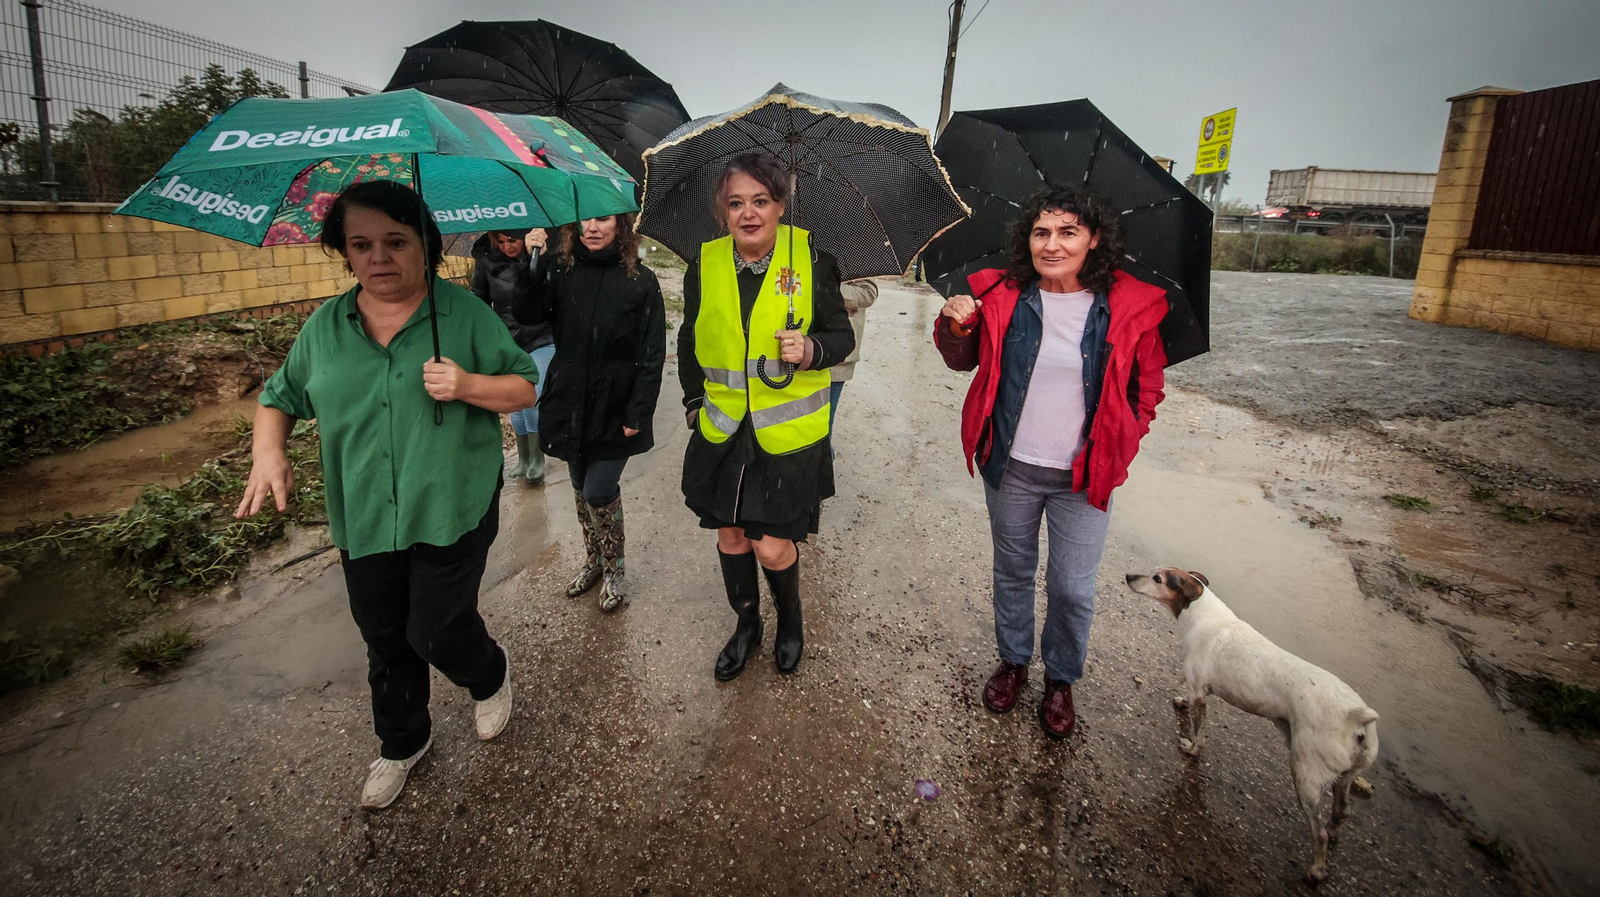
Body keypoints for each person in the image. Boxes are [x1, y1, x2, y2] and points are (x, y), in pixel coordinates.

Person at [235, 180, 539, 809]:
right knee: (385, 636)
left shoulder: (464, 315)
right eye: (361, 244)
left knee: (435, 630)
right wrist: (269, 454)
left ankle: (490, 674)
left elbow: (524, 387)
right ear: (343, 252)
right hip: (366, 514)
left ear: (425, 246)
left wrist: (466, 383)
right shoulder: (324, 328)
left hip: (452, 506)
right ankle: (403, 742)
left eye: (396, 242)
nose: (379, 257)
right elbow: (277, 399)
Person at [933, 184, 1167, 739]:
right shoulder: (1004, 297)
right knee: (1012, 570)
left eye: (1068, 232)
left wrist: (1124, 439)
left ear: (1094, 240)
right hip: (1011, 465)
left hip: (1083, 476)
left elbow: (1147, 390)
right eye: (1042, 232)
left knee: (1072, 587)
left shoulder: (1127, 307)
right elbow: (961, 360)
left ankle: (1060, 679)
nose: (1053, 244)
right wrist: (955, 323)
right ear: (1027, 240)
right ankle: (1013, 661)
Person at [678, 153, 855, 681]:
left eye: (760, 201)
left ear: (782, 205)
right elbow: (690, 342)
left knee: (773, 545)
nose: (748, 213)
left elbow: (840, 336)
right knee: (731, 536)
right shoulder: (702, 267)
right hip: (723, 430)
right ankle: (746, 623)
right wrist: (693, 403)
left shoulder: (813, 263)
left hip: (785, 436)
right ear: (722, 211)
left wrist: (812, 350)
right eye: (736, 203)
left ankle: (791, 621)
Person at [513, 214, 665, 612]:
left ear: (621, 227)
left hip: (615, 403)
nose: (593, 227)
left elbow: (652, 355)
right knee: (580, 485)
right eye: (584, 220)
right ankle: (594, 560)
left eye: (603, 219)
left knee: (599, 489)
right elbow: (527, 313)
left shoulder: (641, 281)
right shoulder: (561, 271)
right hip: (570, 398)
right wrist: (532, 261)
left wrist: (639, 411)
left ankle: (614, 568)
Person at [472, 228, 554, 485]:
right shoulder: (486, 261)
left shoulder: (539, 254)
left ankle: (538, 459)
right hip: (507, 340)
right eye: (502, 241)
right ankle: (523, 459)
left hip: (542, 337)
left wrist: (537, 258)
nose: (508, 246)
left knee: (531, 396)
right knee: (514, 405)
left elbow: (552, 292)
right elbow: (479, 298)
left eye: (513, 241)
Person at [828, 278, 879, 430]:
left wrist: (826, 286)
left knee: (821, 432)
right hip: (794, 351)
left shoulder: (856, 255)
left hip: (835, 361)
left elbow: (868, 293)